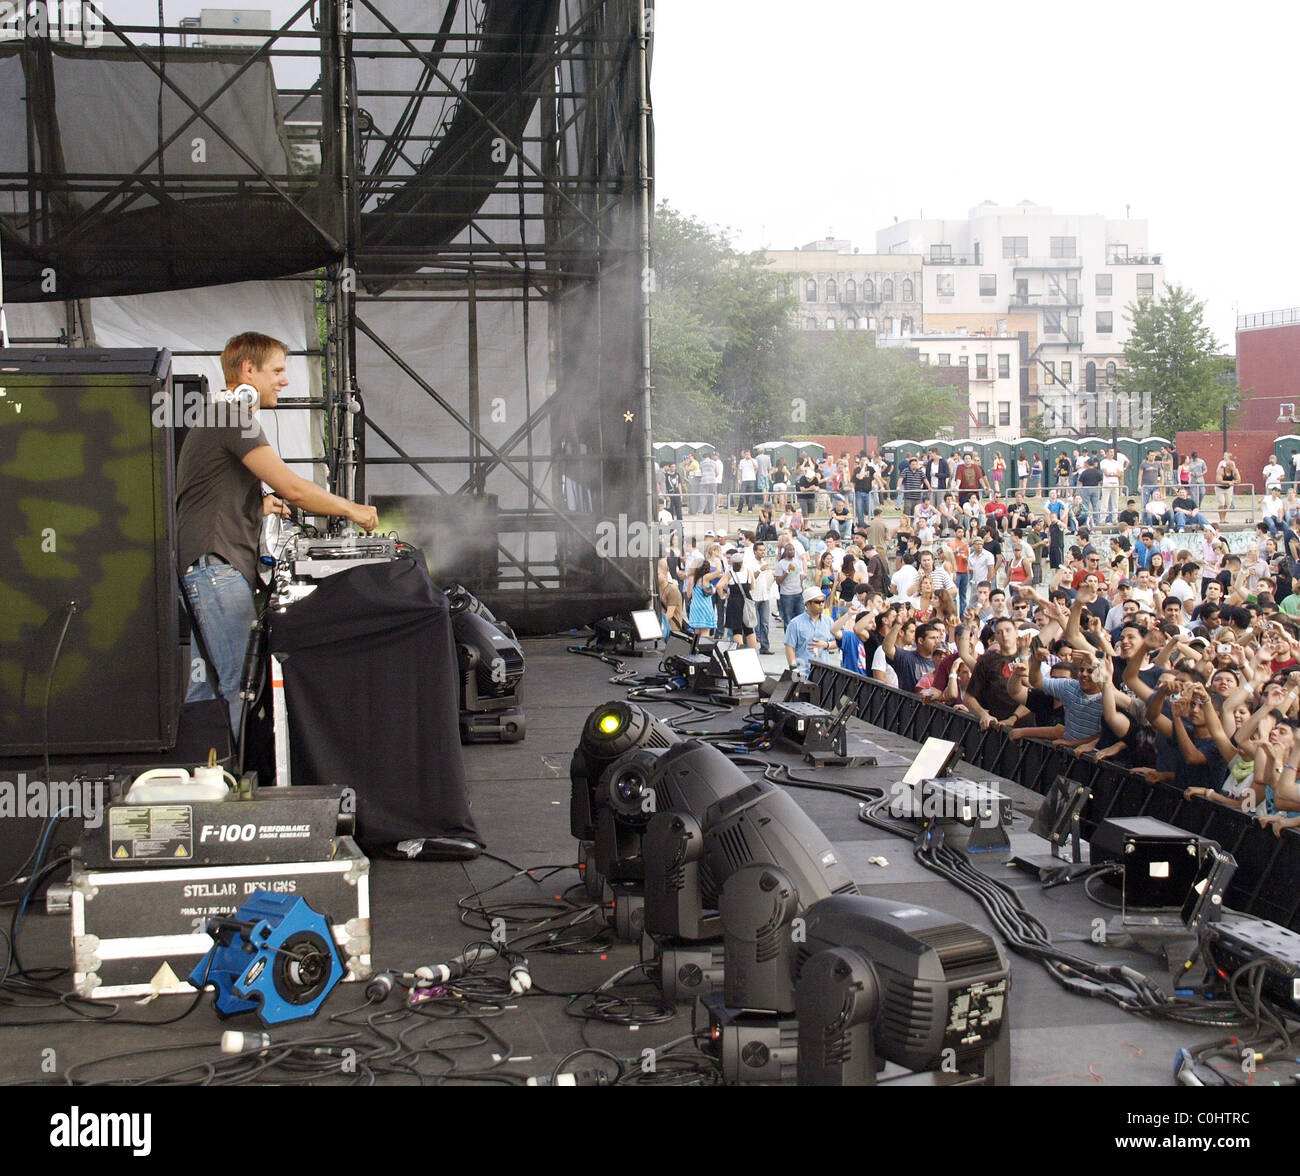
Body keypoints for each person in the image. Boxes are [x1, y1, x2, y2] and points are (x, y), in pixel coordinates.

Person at [177, 333, 377, 731]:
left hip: (204, 565)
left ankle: (197, 772)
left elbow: (210, 492)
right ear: (248, 371)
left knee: (207, 687)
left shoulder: (217, 415)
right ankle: (230, 783)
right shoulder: (234, 417)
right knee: (239, 683)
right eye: (278, 370)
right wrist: (355, 511)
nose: (284, 381)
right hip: (217, 569)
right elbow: (294, 489)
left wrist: (256, 504)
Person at [784, 585, 834, 675]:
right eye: (817, 602)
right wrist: (794, 669)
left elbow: (837, 642)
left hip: (824, 673)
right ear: (807, 604)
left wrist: (827, 645)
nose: (821, 604)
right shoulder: (795, 624)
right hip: (803, 671)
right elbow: (789, 647)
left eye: (823, 601)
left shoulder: (829, 621)